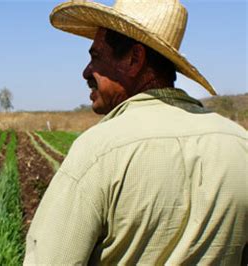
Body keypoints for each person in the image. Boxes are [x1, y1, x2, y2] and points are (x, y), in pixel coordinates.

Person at [24, 0, 247, 264]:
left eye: (96, 57)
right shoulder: (239, 143)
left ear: (134, 59)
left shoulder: (99, 151)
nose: (86, 71)